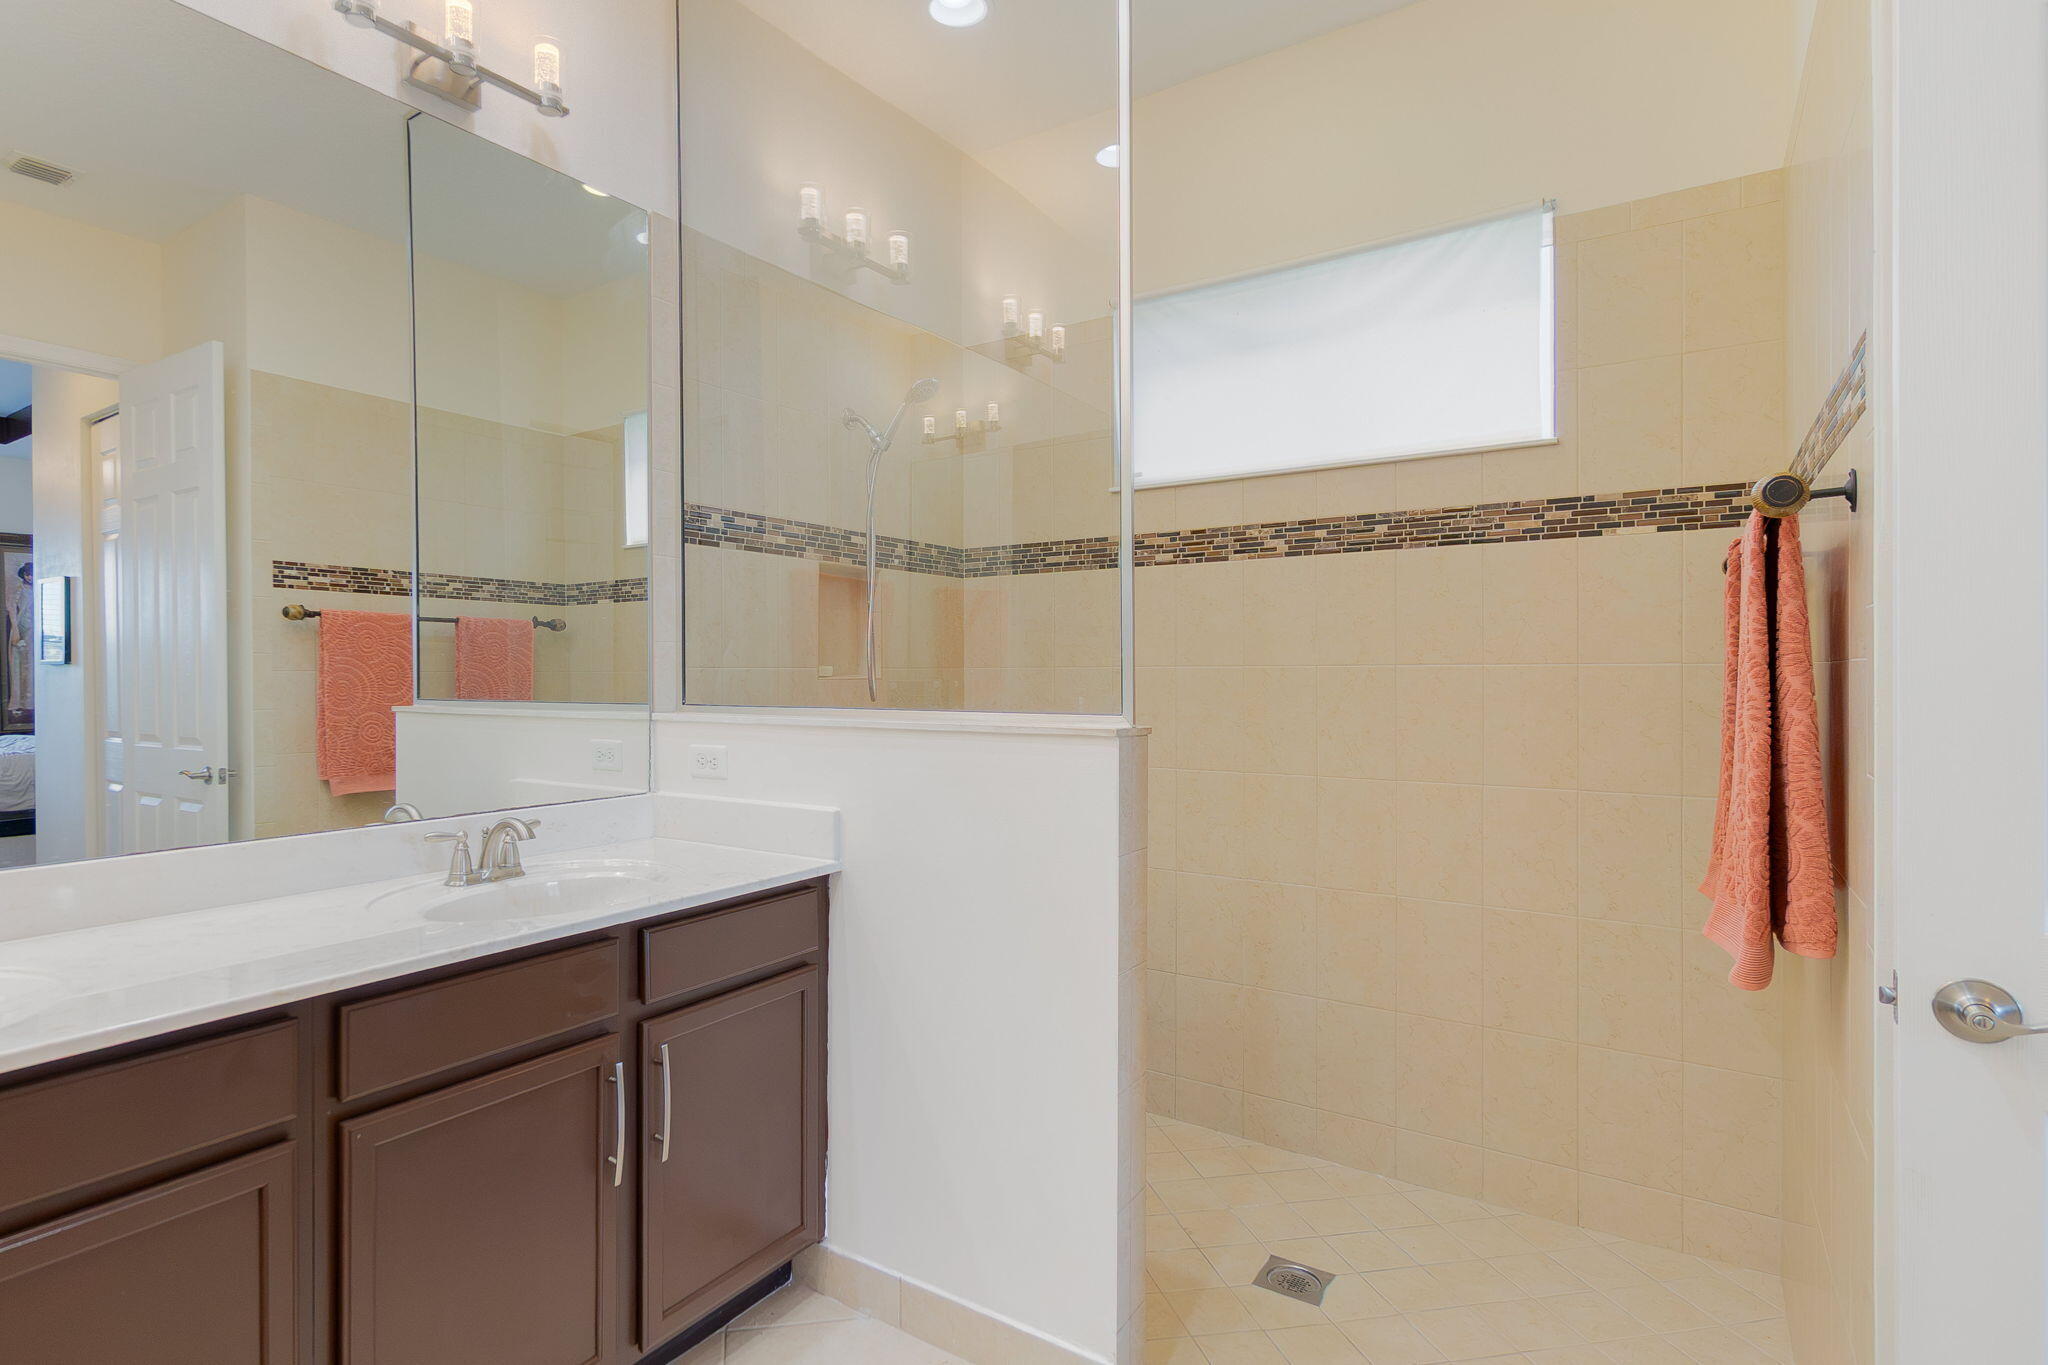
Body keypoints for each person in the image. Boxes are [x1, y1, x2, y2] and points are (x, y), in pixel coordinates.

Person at [3, 558, 32, 728]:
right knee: (19, 666)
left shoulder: (37, 589)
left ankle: (30, 703)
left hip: (33, 630)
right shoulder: (19, 590)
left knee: (31, 667)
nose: (30, 577)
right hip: (20, 629)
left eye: (32, 574)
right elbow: (12, 610)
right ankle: (17, 704)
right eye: (28, 574)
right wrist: (15, 630)